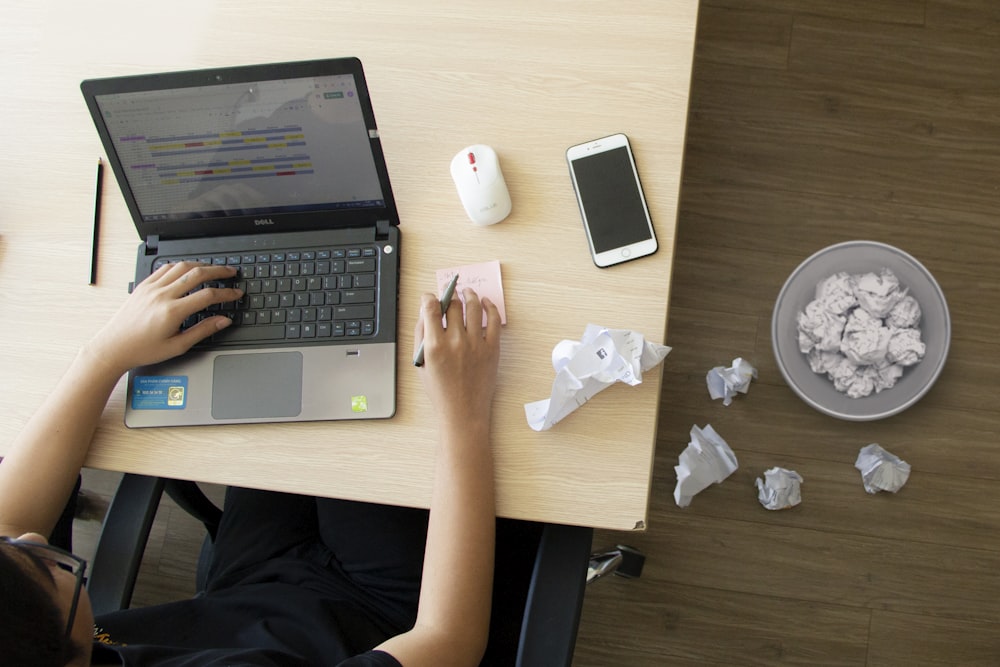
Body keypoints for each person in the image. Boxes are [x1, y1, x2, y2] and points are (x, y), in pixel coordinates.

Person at [0, 260, 502, 667]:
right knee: (392, 407)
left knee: (319, 375)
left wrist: (105, 354)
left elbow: (11, 521)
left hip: (248, 585)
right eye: (52, 571)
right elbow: (450, 641)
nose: (33, 540)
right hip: (377, 613)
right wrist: (465, 414)